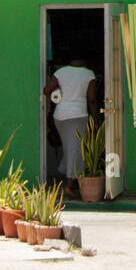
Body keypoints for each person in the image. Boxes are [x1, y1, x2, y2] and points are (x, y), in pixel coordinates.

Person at [43, 56, 99, 195]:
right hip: (78, 115)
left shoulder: (61, 72)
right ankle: (69, 185)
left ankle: (65, 173)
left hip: (60, 116)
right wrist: (96, 120)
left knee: (69, 147)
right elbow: (91, 99)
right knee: (76, 149)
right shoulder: (88, 74)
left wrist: (57, 98)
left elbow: (46, 90)